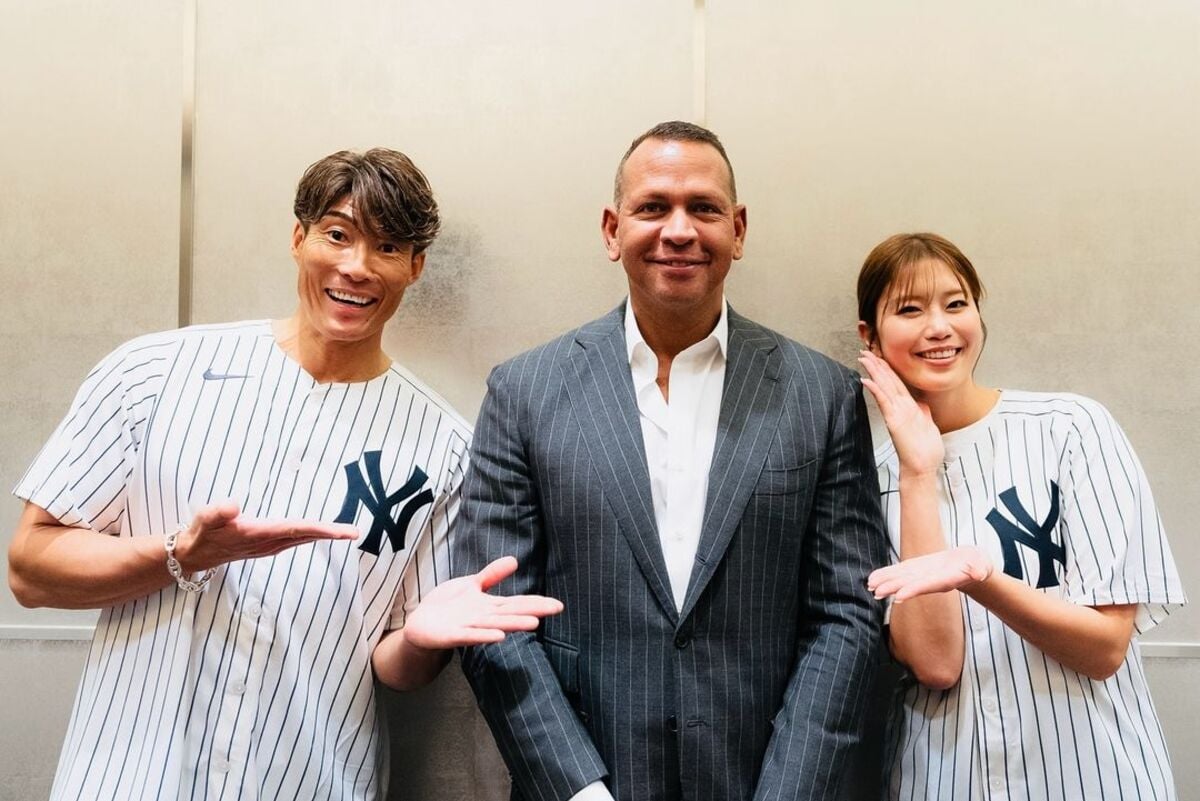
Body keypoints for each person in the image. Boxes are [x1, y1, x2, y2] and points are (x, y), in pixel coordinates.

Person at [7, 148, 561, 801]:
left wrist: (418, 640)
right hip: (127, 778)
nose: (356, 266)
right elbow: (29, 569)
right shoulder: (153, 375)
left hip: (311, 781)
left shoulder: (443, 448)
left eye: (387, 246)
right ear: (299, 239)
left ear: (414, 267)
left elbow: (393, 664)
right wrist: (179, 554)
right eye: (337, 234)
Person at [456, 121, 887, 801]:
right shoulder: (524, 391)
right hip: (585, 783)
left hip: (762, 781)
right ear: (611, 229)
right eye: (653, 207)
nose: (679, 230)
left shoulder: (822, 395)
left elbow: (848, 613)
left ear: (738, 229)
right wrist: (580, 791)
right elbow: (489, 614)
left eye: (704, 208)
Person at [856, 232, 1186, 800]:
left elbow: (1105, 647)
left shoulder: (1071, 428)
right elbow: (937, 666)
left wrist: (979, 575)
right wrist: (917, 473)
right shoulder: (873, 476)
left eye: (956, 303)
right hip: (947, 782)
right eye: (909, 309)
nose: (939, 327)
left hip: (1092, 777)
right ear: (871, 336)